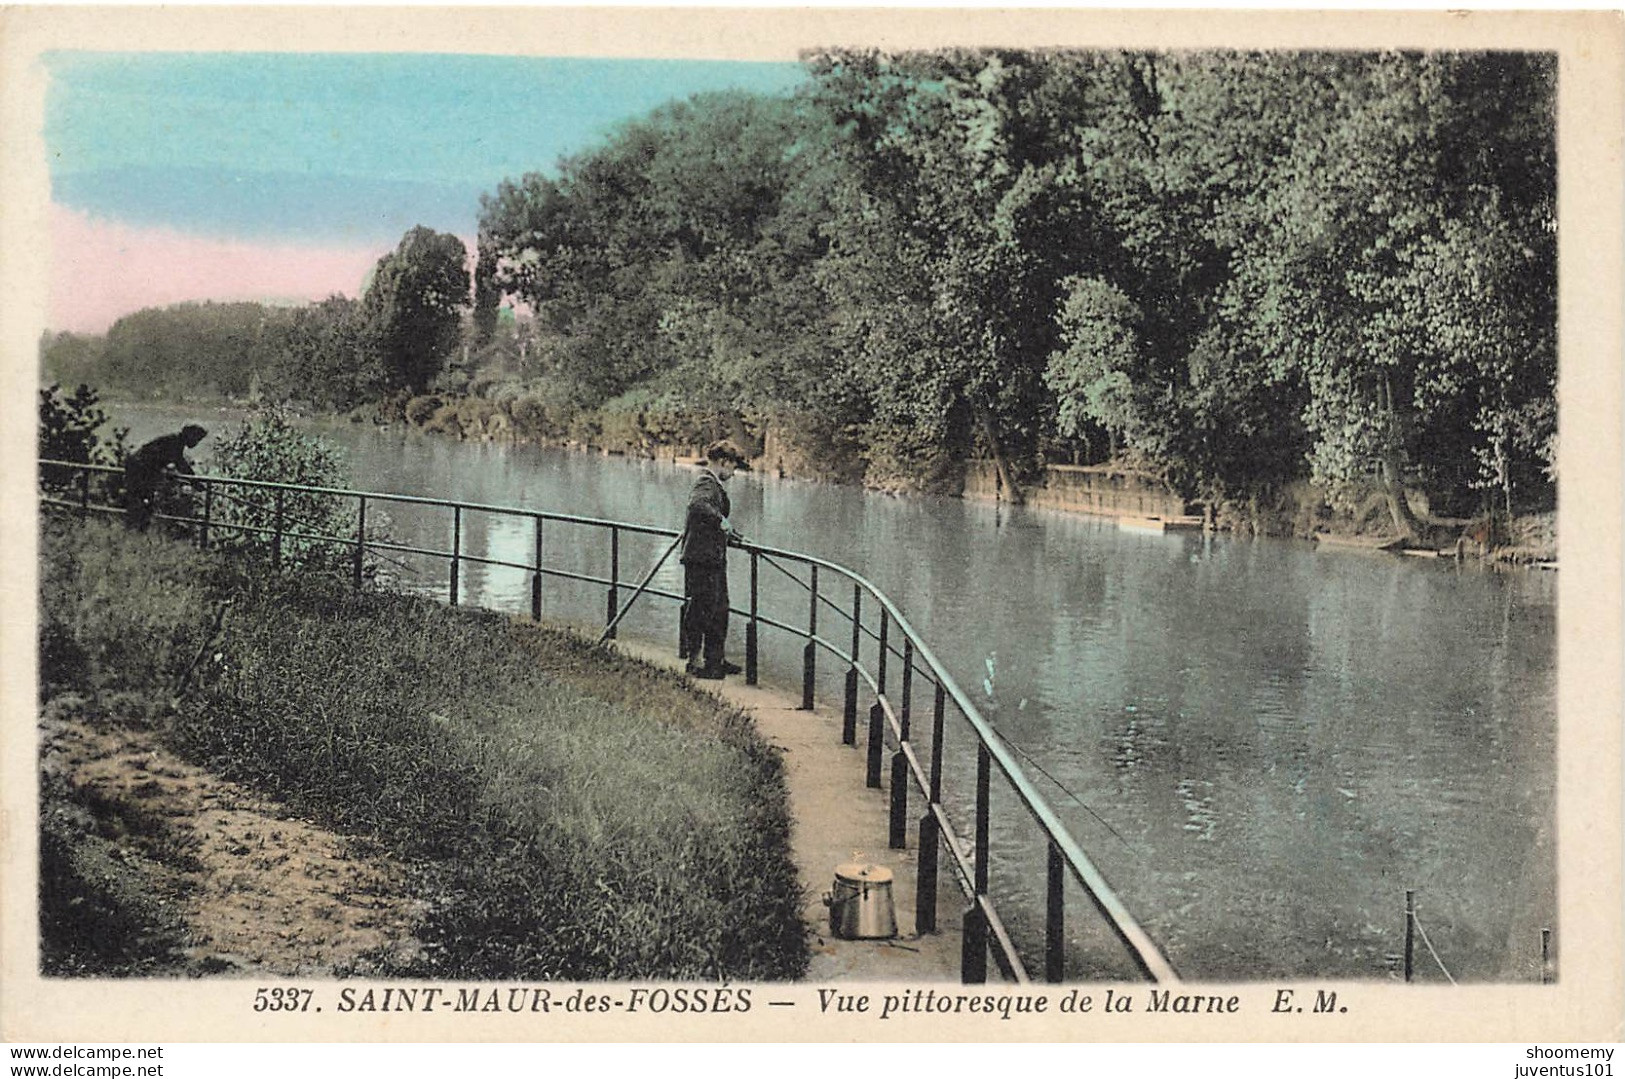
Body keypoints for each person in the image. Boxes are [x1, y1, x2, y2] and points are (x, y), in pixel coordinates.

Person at [680, 442, 747, 679]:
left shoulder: (713, 485)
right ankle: (696, 661)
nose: (733, 473)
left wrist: (733, 536)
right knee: (702, 609)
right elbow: (697, 506)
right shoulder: (706, 482)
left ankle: (715, 658)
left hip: (713, 557)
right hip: (701, 558)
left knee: (719, 610)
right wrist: (722, 521)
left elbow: (708, 520)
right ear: (724, 462)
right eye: (733, 467)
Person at [124, 424, 207, 530]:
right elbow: (180, 463)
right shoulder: (175, 442)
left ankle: (136, 529)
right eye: (196, 438)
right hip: (140, 470)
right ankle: (136, 529)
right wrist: (195, 481)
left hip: (141, 469)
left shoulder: (174, 440)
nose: (196, 443)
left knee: (143, 503)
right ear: (189, 434)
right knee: (142, 502)